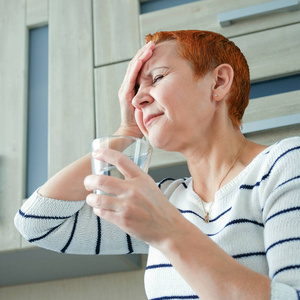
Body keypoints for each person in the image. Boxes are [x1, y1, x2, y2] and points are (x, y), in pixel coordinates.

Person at [15, 30, 300, 300]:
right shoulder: (165, 202)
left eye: (158, 77)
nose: (137, 98)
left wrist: (169, 232)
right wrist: (127, 130)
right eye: (136, 89)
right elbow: (37, 223)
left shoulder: (284, 164)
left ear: (219, 82)